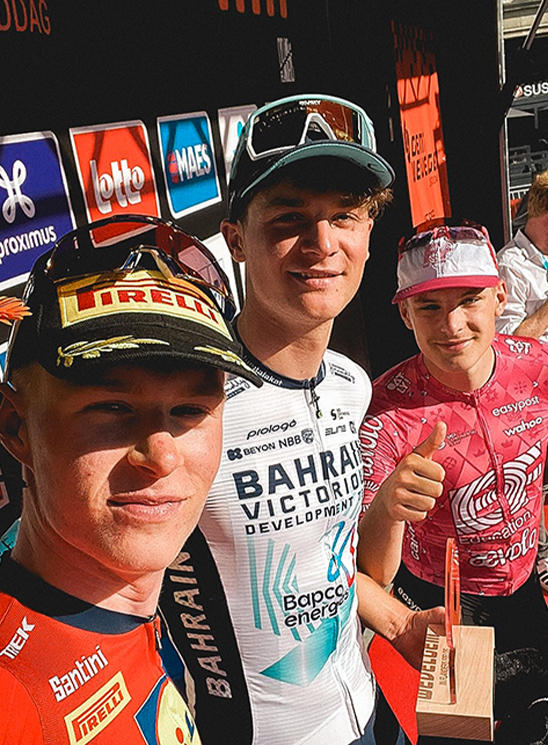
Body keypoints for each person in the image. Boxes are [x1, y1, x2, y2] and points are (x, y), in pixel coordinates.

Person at [160, 94, 444, 745]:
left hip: (369, 714)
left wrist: (397, 621)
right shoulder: (186, 410)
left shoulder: (348, 385)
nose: (322, 244)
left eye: (344, 216)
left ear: (368, 234)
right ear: (236, 239)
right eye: (289, 218)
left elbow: (328, 565)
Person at [0, 214, 262, 743]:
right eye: (113, 406)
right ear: (15, 426)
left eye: (190, 410)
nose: (160, 455)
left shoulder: (132, 609)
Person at [359, 222, 548, 745]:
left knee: (532, 725)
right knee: (460, 738)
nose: (451, 325)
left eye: (470, 300)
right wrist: (388, 507)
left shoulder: (540, 367)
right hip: (447, 606)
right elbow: (364, 572)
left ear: (500, 297)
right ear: (405, 314)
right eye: (429, 306)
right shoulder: (384, 410)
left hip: (524, 593)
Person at [496, 165, 548, 595]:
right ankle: (542, 558)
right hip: (532, 389)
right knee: (533, 478)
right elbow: (509, 342)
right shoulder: (510, 265)